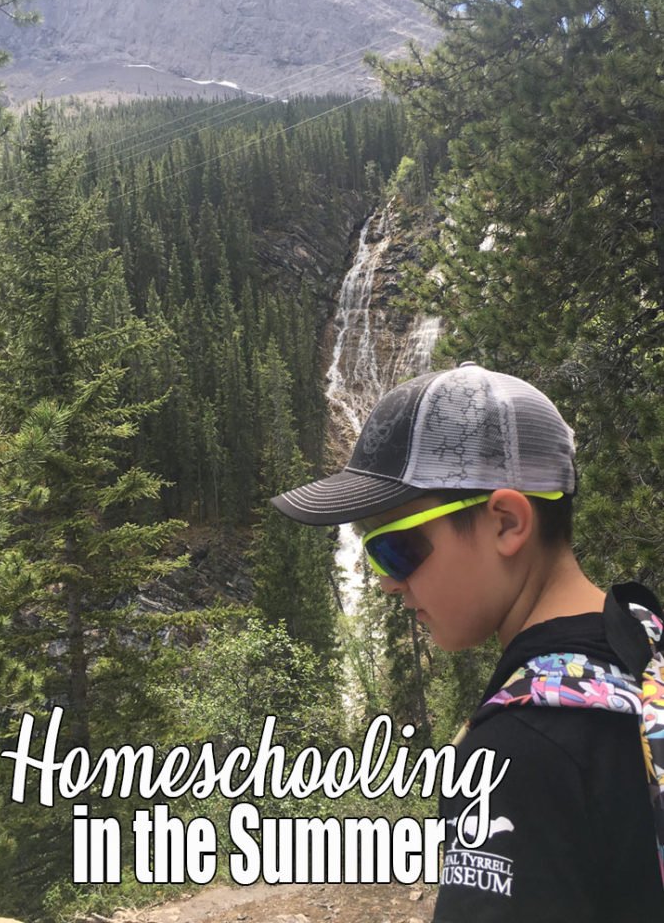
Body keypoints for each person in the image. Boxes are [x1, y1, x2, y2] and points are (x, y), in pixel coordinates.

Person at [271, 362, 664, 921]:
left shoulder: (516, 754)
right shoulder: (641, 639)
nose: (385, 581)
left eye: (396, 548)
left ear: (507, 522)